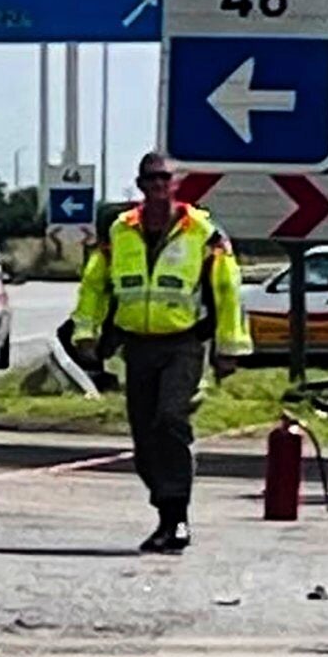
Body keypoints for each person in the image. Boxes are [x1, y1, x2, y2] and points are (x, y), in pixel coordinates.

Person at [71, 150, 249, 554]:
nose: (157, 186)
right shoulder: (120, 230)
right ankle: (165, 511)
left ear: (176, 183)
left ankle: (177, 518)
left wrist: (229, 348)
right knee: (145, 439)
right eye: (150, 180)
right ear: (140, 185)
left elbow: (227, 291)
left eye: (164, 179)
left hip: (184, 343)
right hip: (138, 346)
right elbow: (95, 286)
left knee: (170, 419)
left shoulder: (203, 232)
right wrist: (86, 332)